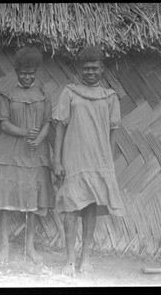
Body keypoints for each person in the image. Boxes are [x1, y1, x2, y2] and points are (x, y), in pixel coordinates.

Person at [52, 46, 125, 276]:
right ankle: (70, 260)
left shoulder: (110, 97)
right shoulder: (70, 93)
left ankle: (86, 258)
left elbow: (112, 134)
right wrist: (57, 161)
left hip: (98, 161)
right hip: (74, 159)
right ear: (80, 69)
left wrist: (109, 166)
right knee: (71, 209)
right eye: (86, 68)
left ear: (102, 69)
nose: (90, 72)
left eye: (94, 68)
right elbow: (60, 129)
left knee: (91, 208)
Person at [0, 47, 55, 263]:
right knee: (6, 198)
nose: (27, 77)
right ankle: (4, 244)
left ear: (36, 72)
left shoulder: (43, 95)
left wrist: (38, 139)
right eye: (23, 73)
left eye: (31, 73)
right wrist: (25, 133)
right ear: (16, 71)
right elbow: (3, 123)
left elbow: (47, 122)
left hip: (35, 152)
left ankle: (30, 246)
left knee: (32, 199)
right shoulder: (9, 94)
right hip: (11, 151)